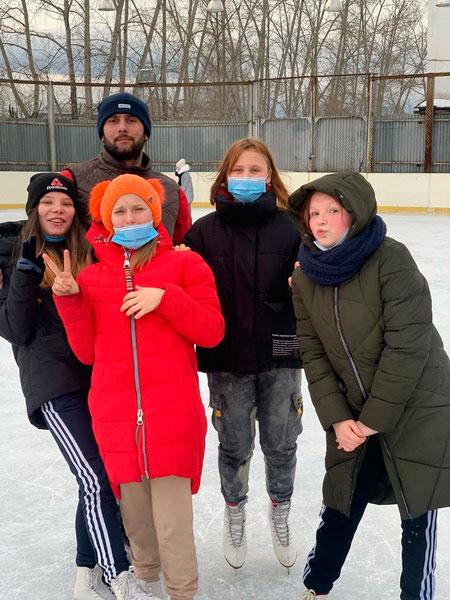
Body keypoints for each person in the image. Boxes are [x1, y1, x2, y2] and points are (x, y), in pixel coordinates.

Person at [45, 174, 224, 600]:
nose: (129, 218)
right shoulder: (91, 278)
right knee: (138, 525)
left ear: (154, 212)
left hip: (173, 415)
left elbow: (212, 331)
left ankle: (182, 593)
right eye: (120, 211)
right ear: (107, 220)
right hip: (117, 418)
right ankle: (145, 582)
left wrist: (167, 298)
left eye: (138, 208)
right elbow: (86, 353)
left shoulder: (186, 265)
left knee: (172, 525)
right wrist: (69, 300)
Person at [287, 171, 450, 600]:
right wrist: (339, 419)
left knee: (418, 514)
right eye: (314, 213)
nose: (321, 221)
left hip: (417, 406)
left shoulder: (391, 258)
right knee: (340, 502)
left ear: (355, 214)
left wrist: (372, 420)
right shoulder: (305, 276)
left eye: (332, 210)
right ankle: (316, 588)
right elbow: (313, 355)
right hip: (352, 413)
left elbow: (408, 347)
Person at [0, 173, 153, 600]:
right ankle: (118, 574)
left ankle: (88, 567)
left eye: (65, 203)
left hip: (99, 376)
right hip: (51, 382)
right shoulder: (7, 254)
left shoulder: (89, 250)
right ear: (34, 209)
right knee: (94, 477)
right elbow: (14, 330)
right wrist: (24, 276)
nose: (58, 210)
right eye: (48, 202)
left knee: (105, 475)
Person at [182, 137, 303, 571]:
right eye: (238, 170)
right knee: (233, 447)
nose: (247, 177)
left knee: (282, 444)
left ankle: (280, 509)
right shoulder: (202, 233)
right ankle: (235, 512)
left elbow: (318, 283)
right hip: (226, 358)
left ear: (269, 177)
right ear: (225, 176)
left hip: (280, 356)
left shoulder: (293, 229)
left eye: (255, 170)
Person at [60, 92, 191, 244]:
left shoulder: (172, 190)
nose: (122, 128)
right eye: (113, 121)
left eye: (131, 120)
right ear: (101, 134)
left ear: (146, 133)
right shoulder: (72, 179)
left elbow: (184, 248)